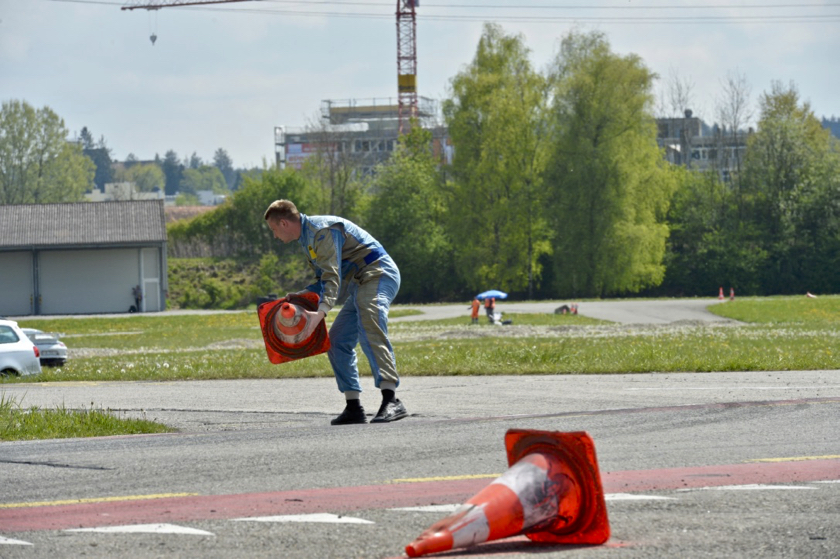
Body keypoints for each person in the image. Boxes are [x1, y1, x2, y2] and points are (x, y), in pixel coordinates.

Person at [264, 200, 407, 425]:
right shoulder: (307, 238)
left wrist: (320, 313)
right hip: (361, 283)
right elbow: (323, 280)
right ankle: (353, 407)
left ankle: (392, 399)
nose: (274, 236)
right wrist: (301, 296)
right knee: (337, 340)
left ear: (283, 223)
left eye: (273, 229)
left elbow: (333, 277)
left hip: (378, 272)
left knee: (370, 322)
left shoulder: (322, 231)